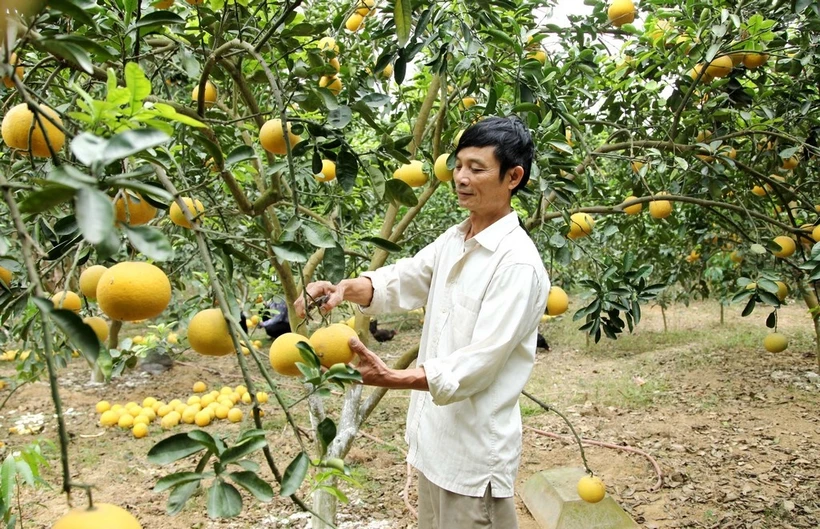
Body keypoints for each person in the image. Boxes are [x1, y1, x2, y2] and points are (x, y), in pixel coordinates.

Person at [295, 115, 550, 529]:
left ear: (513, 177)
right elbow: (405, 278)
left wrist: (394, 377)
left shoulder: (516, 264)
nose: (461, 178)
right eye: (459, 165)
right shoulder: (456, 239)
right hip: (434, 446)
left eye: (477, 168)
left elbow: (478, 364)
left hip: (472, 459)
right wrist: (345, 288)